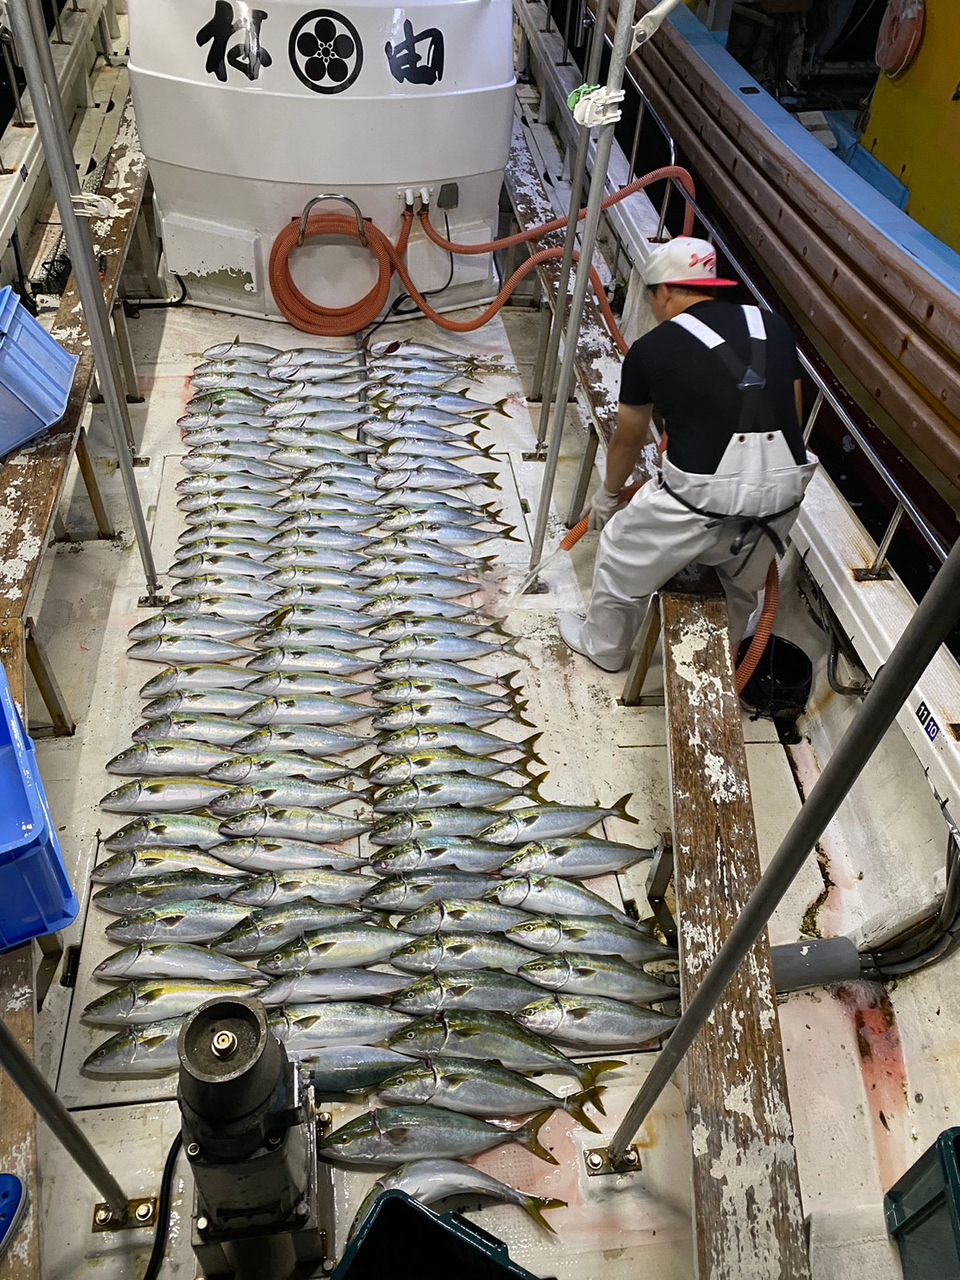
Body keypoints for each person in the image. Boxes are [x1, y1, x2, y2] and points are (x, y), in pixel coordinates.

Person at [559, 235, 818, 673]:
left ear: (664, 291)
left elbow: (628, 439)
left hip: (699, 500)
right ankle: (718, 662)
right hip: (783, 496)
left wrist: (608, 496)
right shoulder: (772, 325)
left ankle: (604, 647)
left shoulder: (650, 350)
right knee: (740, 586)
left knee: (621, 551)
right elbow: (790, 414)